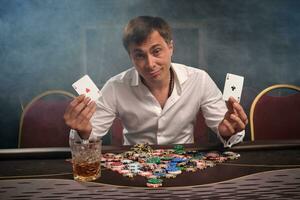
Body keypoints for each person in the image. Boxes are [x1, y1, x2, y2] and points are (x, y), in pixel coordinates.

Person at [64, 16, 248, 147]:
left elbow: (229, 132)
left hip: (184, 163)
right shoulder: (115, 86)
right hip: (134, 166)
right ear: (131, 57)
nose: (150, 64)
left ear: (170, 48)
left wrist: (227, 131)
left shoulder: (199, 79)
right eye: (140, 55)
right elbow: (87, 138)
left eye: (156, 51)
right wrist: (83, 131)